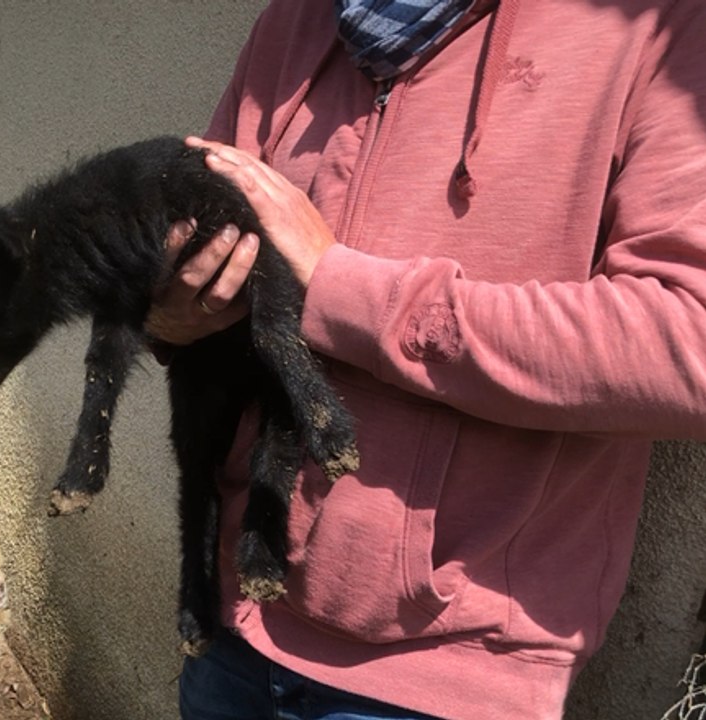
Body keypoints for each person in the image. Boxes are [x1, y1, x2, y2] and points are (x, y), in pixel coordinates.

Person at [144, 0, 706, 718]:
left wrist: (342, 288)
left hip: (449, 672)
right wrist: (168, 312)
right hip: (235, 619)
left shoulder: (661, 24)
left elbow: (687, 344)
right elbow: (204, 241)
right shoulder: (300, 19)